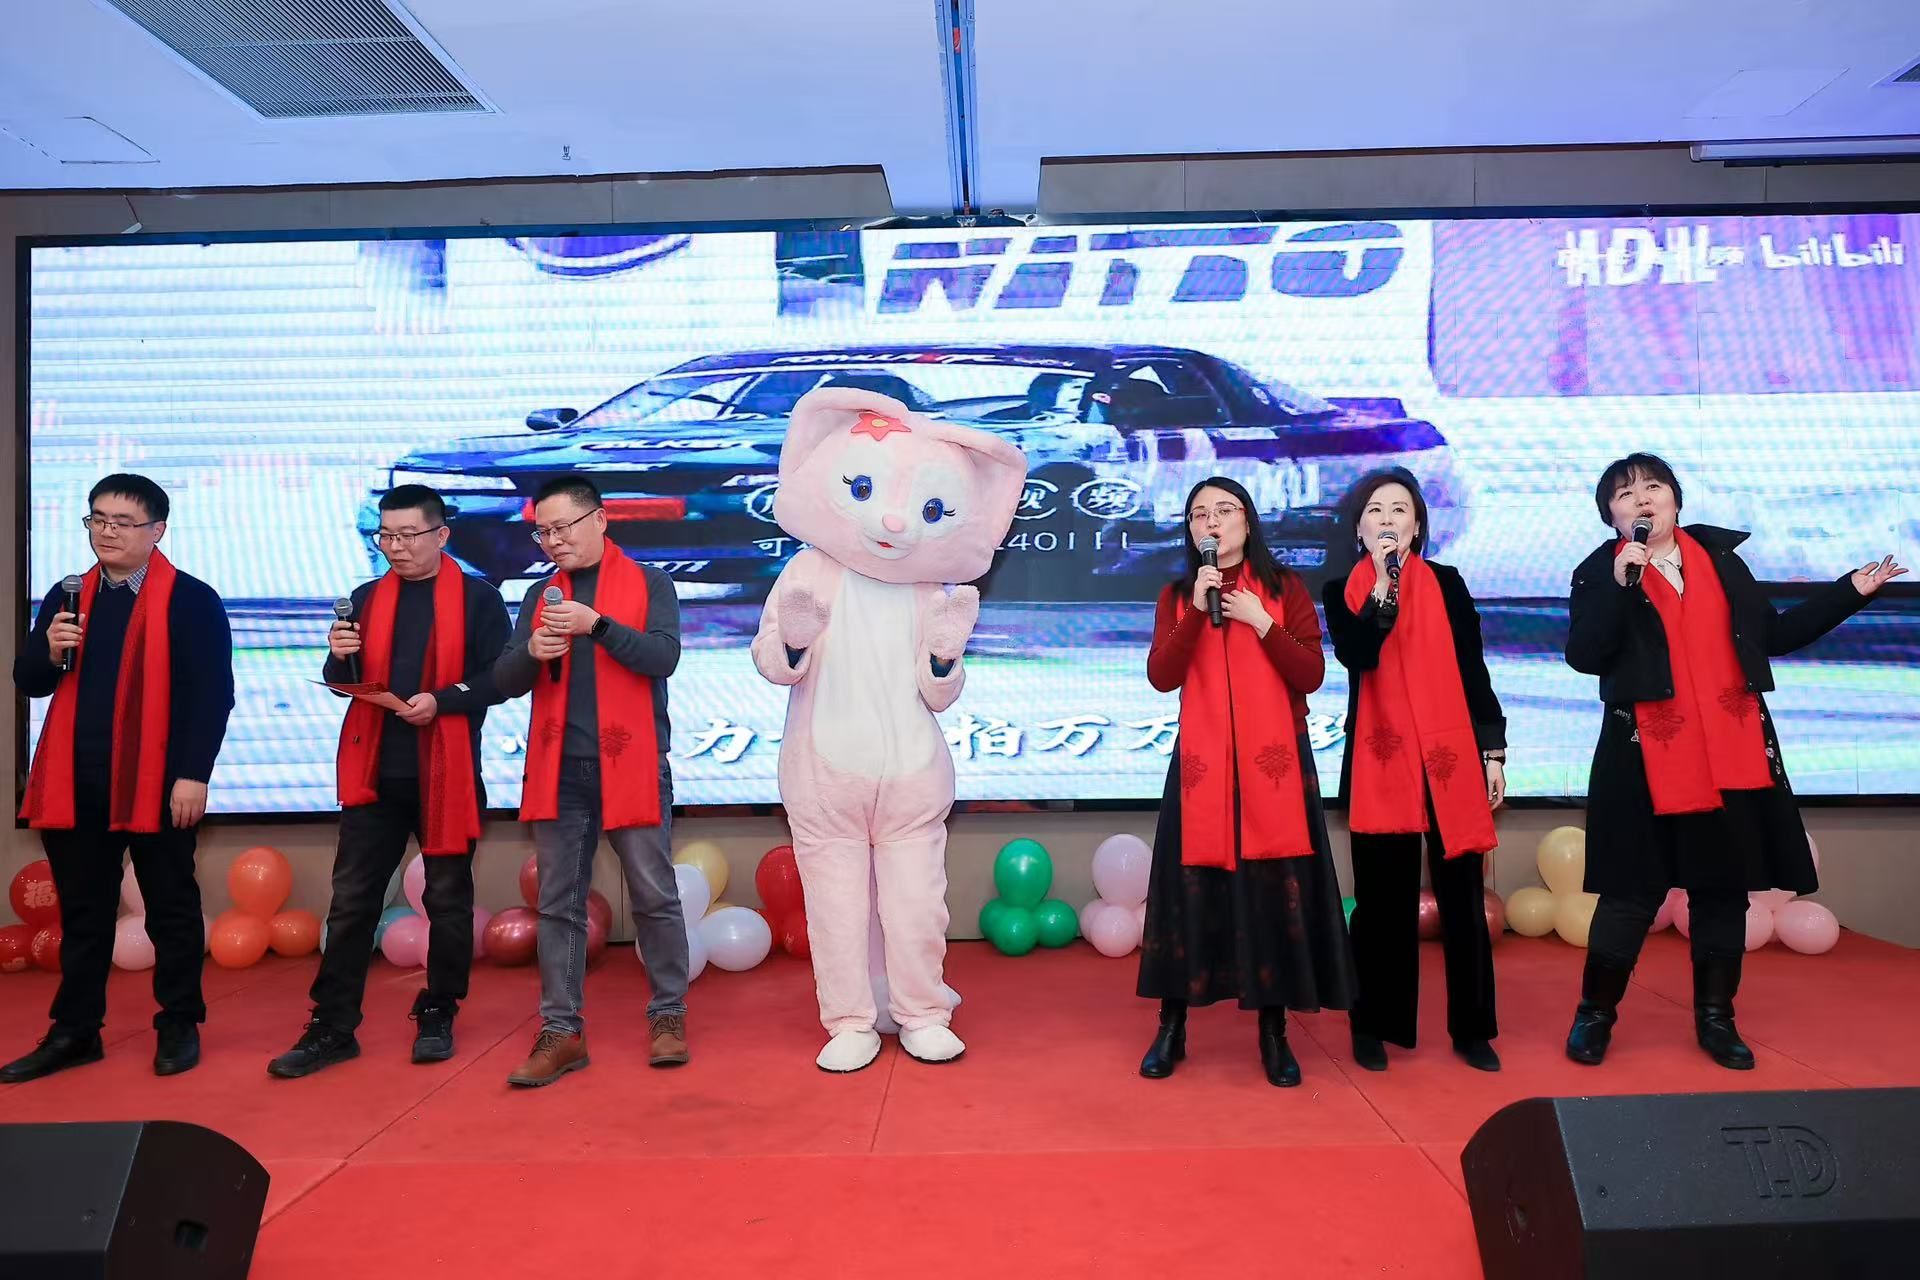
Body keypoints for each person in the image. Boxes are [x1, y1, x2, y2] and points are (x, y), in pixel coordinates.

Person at [1563, 453, 1906, 1069]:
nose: (1643, 500)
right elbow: (1586, 655)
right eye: (1626, 494)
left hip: (1730, 751)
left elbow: (1773, 637)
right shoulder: (1598, 572)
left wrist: (1847, 593)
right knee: (1630, 895)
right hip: (1642, 756)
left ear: (1676, 500)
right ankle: (1595, 1015)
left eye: (1654, 487)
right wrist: (1620, 585)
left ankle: (1716, 1019)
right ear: (1610, 514)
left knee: (1721, 892)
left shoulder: (1722, 562)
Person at [268, 486, 510, 1078]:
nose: (395, 547)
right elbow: (343, 680)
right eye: (386, 536)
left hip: (446, 770)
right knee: (352, 902)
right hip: (374, 772)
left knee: (447, 900)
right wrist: (338, 655)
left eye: (407, 535)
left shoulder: (479, 599)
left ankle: (438, 1010)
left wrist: (445, 700)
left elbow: (501, 678)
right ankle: (332, 1025)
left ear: (441, 535)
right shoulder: (365, 598)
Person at [5, 474, 234, 1083]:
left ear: (157, 531)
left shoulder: (191, 599)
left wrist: (193, 774)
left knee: (170, 908)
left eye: (123, 522)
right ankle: (75, 1031)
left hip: (158, 782)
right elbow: (29, 681)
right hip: (76, 778)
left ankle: (178, 1022)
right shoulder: (68, 594)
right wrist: (49, 649)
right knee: (84, 913)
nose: (107, 531)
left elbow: (213, 696)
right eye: (98, 519)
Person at [1135, 476, 1356, 1087]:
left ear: (1248, 521)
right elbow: (1162, 676)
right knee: (1189, 896)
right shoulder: (1178, 594)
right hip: (1203, 767)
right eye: (1198, 514)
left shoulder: (1284, 589)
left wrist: (1262, 622)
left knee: (1271, 894)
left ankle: (1274, 1031)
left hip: (1273, 767)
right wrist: (1194, 613)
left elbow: (1309, 674)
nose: (1211, 522)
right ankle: (1172, 1026)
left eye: (1224, 510)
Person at [493, 477, 687, 1087]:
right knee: (558, 904)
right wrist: (532, 651)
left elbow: (663, 658)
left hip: (633, 763)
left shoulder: (650, 583)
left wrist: (596, 625)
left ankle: (668, 1016)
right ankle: (561, 1030)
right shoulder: (539, 594)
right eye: (541, 533)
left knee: (654, 895)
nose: (552, 541)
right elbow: (505, 680)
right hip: (561, 769)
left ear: (599, 520)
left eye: (562, 528)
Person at [1323, 468, 1505, 1074]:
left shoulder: (1449, 584)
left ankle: (1472, 1029)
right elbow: (1358, 653)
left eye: (1400, 509)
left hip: (1450, 755)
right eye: (1375, 510)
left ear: (1418, 526)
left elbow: (1475, 672)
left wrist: (1493, 750)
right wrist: (1382, 587)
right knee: (1382, 904)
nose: (1387, 519)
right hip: (1382, 759)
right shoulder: (1342, 590)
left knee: (1463, 900)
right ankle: (1373, 1024)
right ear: (1359, 529)